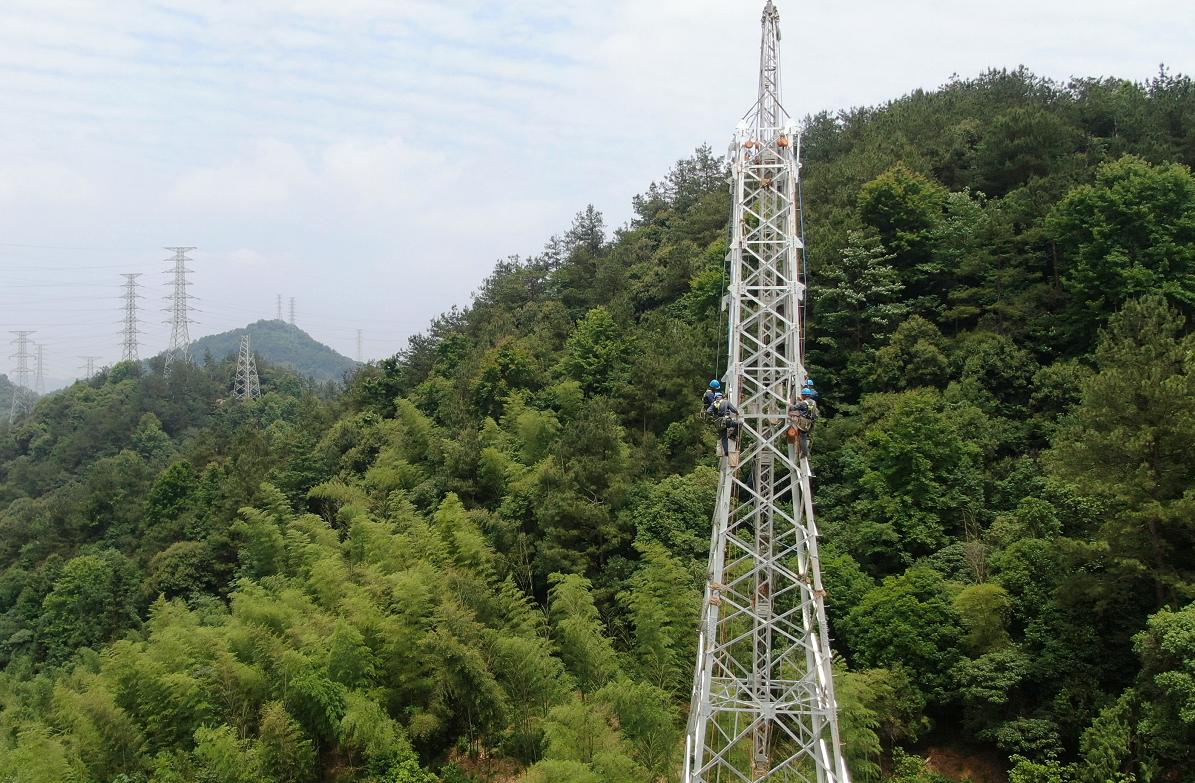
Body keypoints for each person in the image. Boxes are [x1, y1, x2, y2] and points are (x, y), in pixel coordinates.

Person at [707, 392, 740, 459]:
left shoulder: (713, 404)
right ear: (721, 397)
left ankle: (726, 452)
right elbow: (733, 410)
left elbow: (708, 411)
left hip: (719, 423)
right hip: (727, 421)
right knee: (739, 424)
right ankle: (733, 435)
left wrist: (714, 415)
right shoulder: (726, 402)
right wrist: (737, 412)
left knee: (724, 438)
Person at [791, 385, 819, 459]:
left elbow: (793, 407)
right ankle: (806, 449)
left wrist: (788, 403)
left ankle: (805, 453)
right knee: (806, 435)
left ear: (803, 395)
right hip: (810, 422)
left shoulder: (803, 403)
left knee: (802, 437)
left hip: (804, 423)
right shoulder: (813, 402)